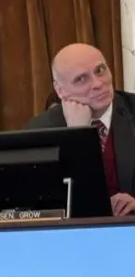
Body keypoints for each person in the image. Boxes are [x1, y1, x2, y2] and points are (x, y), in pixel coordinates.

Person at [24, 43, 135, 216]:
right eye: (81, 79)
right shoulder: (38, 131)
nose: (98, 83)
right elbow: (37, 205)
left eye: (100, 70)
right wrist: (78, 135)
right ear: (60, 90)